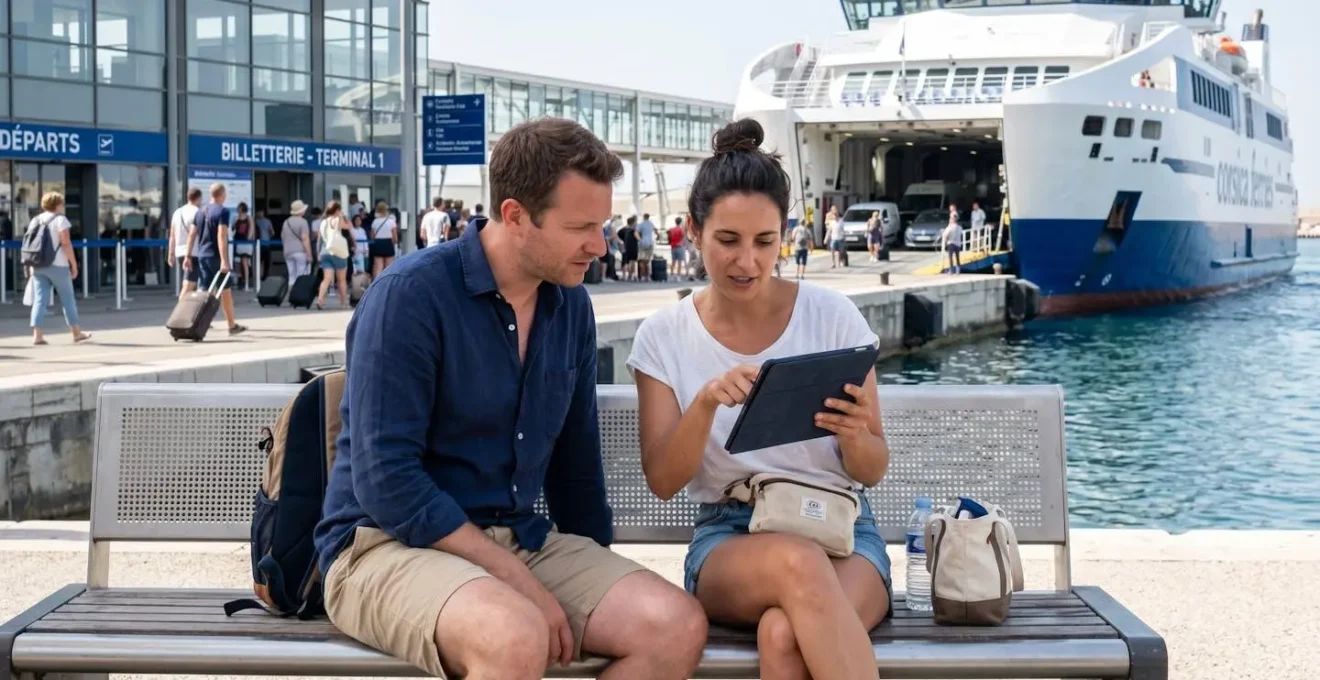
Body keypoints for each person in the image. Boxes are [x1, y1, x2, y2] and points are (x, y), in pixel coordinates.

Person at [312, 117, 706, 680]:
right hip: (383, 546)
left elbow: (576, 474)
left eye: (603, 225)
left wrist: (596, 581)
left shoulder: (570, 307)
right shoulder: (410, 297)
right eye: (581, 227)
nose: (599, 246)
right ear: (516, 215)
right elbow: (385, 479)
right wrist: (518, 582)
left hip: (517, 539)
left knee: (674, 626)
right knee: (514, 638)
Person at [626, 118, 892, 680]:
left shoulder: (834, 317)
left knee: (783, 633)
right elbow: (663, 481)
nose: (747, 262)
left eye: (765, 242)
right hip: (732, 535)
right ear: (694, 231)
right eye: (728, 241)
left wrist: (851, 434)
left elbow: (871, 469)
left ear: (784, 235)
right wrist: (703, 406)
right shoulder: (664, 336)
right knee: (798, 565)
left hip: (844, 527)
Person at [25, 191, 91, 345]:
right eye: (61, 202)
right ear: (58, 204)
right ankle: (76, 332)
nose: (63, 205)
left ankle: (37, 335)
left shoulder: (36, 219)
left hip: (38, 265)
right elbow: (66, 243)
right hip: (58, 266)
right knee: (68, 299)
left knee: (40, 300)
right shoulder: (61, 220)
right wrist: (73, 264)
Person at [184, 183, 246, 336]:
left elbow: (191, 234)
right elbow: (221, 235)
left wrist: (188, 255)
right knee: (225, 291)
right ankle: (231, 326)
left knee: (204, 290)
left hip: (202, 256)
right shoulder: (222, 211)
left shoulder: (200, 212)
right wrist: (225, 260)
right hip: (216, 257)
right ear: (222, 194)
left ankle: (193, 322)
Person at [167, 188, 202, 299]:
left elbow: (172, 235)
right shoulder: (197, 212)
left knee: (190, 282)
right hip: (193, 252)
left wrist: (170, 254)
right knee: (189, 284)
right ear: (199, 198)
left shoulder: (177, 212)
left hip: (180, 252)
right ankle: (181, 309)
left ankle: (189, 311)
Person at [315, 201, 351, 310]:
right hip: (338, 252)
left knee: (326, 279)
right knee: (341, 280)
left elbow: (319, 240)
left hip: (325, 253)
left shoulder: (323, 222)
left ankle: (320, 300)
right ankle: (343, 302)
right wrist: (343, 216)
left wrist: (318, 253)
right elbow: (348, 226)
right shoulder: (337, 220)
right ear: (337, 210)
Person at [282, 201, 313, 280]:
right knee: (301, 276)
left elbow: (283, 237)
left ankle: (291, 291)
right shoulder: (303, 222)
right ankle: (299, 292)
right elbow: (305, 239)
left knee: (291, 275)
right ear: (301, 211)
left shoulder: (286, 222)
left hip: (287, 251)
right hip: (300, 252)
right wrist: (309, 255)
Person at [368, 200, 398, 276]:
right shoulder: (391, 222)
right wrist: (394, 243)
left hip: (378, 243)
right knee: (389, 267)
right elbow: (395, 237)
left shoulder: (375, 222)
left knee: (378, 268)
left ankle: (377, 285)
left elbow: (372, 236)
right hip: (388, 243)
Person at [233, 202, 254, 287]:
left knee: (245, 262)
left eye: (239, 208)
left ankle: (246, 282)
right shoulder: (236, 218)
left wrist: (248, 238)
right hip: (238, 241)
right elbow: (233, 228)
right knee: (238, 262)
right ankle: (240, 280)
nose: (238, 209)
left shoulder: (249, 218)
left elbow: (251, 229)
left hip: (245, 242)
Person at [943, 204, 964, 274]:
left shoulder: (950, 227)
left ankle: (951, 270)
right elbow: (961, 234)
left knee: (950, 257)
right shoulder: (960, 227)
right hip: (958, 243)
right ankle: (958, 270)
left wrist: (945, 241)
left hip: (951, 243)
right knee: (957, 257)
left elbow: (946, 234)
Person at [637, 213, 656, 281]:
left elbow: (636, 233)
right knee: (647, 261)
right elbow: (656, 230)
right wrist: (657, 236)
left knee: (641, 260)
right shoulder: (651, 224)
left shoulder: (641, 224)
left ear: (643, 217)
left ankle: (642, 276)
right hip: (650, 243)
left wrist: (640, 239)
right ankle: (647, 276)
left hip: (642, 243)